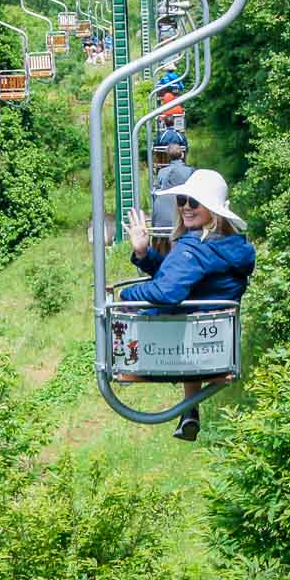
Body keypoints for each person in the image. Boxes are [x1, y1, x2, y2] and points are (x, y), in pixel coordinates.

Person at [123, 169, 255, 441]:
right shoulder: (228, 245)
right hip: (217, 339)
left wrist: (126, 296)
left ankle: (189, 410)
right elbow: (181, 275)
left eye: (194, 202)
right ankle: (189, 412)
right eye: (182, 199)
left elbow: (167, 290)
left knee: (170, 317)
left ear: (212, 210)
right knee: (190, 317)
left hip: (186, 340)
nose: (185, 207)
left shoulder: (193, 247)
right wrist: (143, 254)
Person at [149, 140, 194, 232]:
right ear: (182, 155)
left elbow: (157, 191)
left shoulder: (162, 172)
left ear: (168, 156)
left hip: (163, 220)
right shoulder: (190, 171)